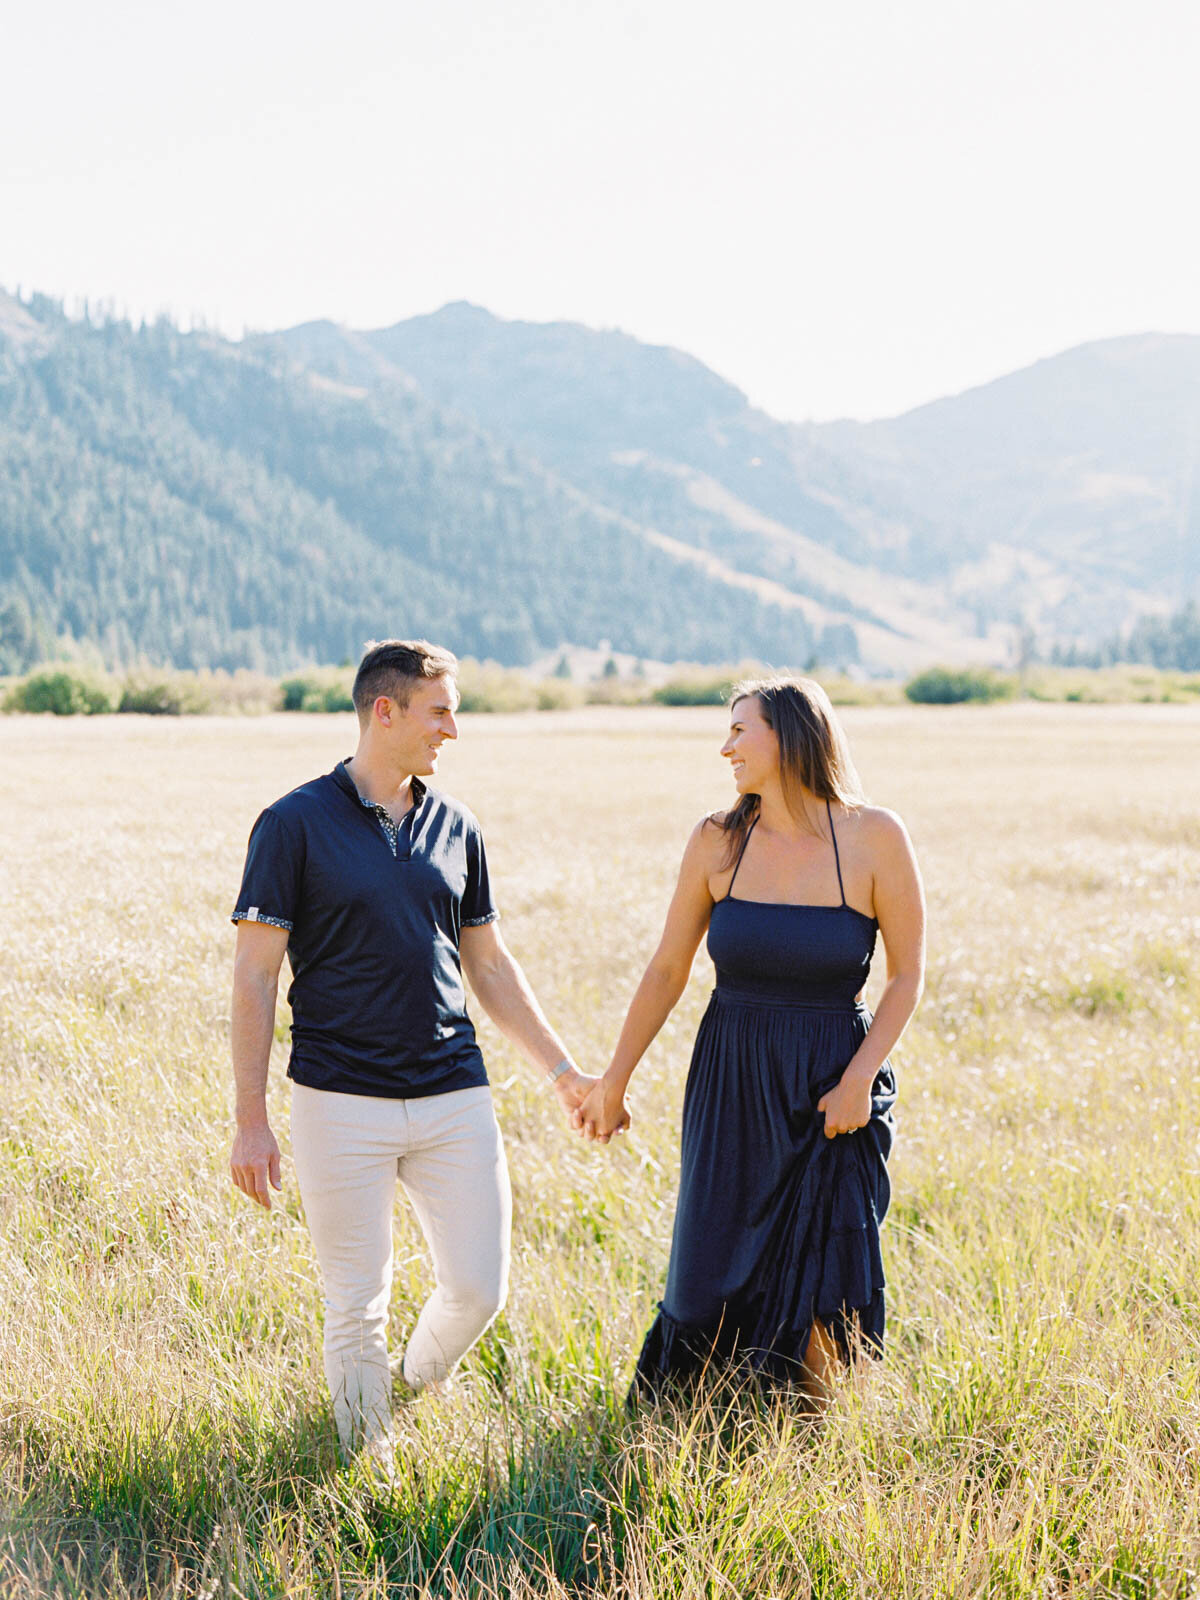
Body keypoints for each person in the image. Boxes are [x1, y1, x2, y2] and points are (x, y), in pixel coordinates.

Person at [229, 639, 593, 1463]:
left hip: (453, 1093)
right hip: (338, 1100)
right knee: (355, 1304)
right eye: (440, 710)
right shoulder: (292, 823)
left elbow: (488, 964)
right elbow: (255, 977)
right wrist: (250, 1121)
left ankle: (412, 1386)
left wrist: (563, 1072)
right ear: (383, 711)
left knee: (478, 1289)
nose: (453, 729)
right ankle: (371, 1466)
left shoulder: (457, 825)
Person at [573, 676, 925, 1401]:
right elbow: (668, 968)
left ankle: (815, 1442)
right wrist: (615, 1079)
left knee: (827, 1271)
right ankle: (683, 1419)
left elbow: (906, 975)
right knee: (707, 1267)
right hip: (732, 1078)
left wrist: (861, 1078)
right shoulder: (716, 841)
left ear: (790, 735)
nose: (725, 745)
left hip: (834, 1078)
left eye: (741, 729)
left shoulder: (874, 836)